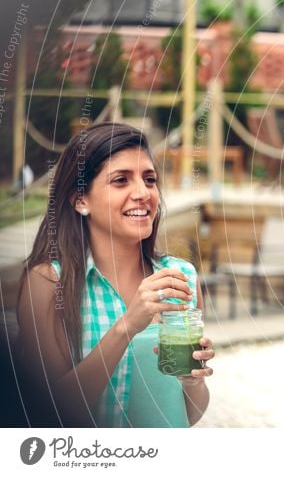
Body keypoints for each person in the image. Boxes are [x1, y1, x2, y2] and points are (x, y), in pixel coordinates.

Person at [15, 122, 215, 427]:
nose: (143, 193)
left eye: (149, 180)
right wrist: (126, 327)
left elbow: (187, 415)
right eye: (121, 180)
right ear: (80, 199)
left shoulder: (181, 277)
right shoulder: (47, 284)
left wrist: (192, 381)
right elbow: (49, 412)